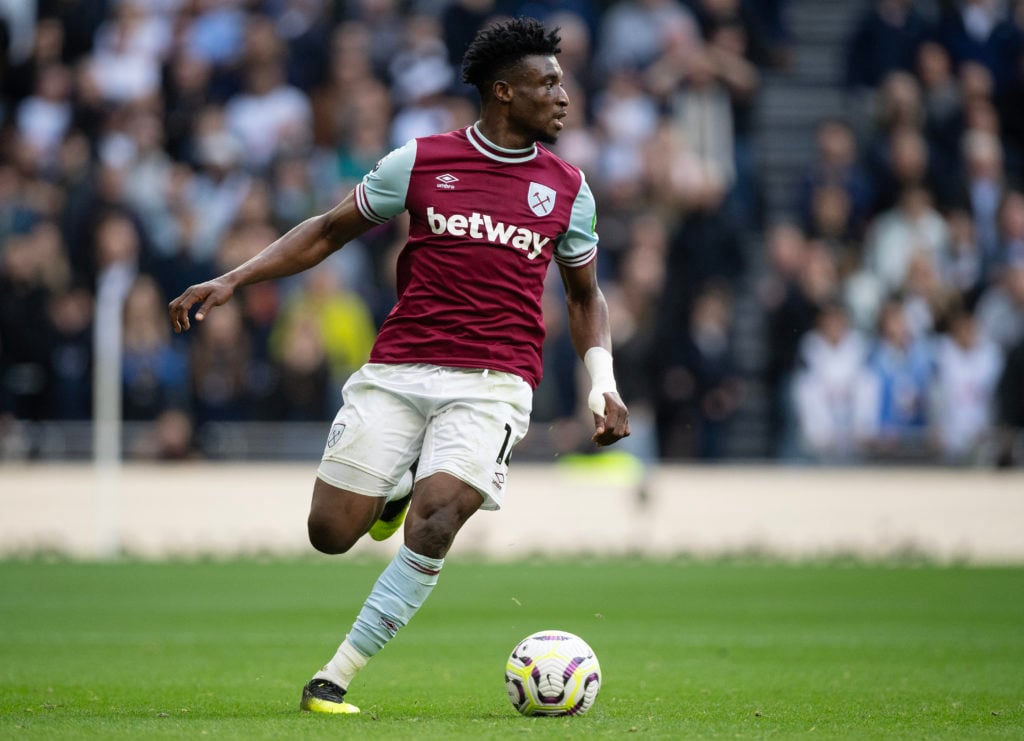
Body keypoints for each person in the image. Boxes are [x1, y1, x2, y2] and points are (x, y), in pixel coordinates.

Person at [167, 17, 630, 715]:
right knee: (329, 533)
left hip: (494, 383)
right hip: (400, 368)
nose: (564, 97)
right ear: (504, 92)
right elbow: (326, 231)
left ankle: (335, 673)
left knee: (437, 517)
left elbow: (585, 296)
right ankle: (391, 492)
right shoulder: (417, 162)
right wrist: (235, 278)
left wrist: (603, 384)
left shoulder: (569, 189)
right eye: (549, 84)